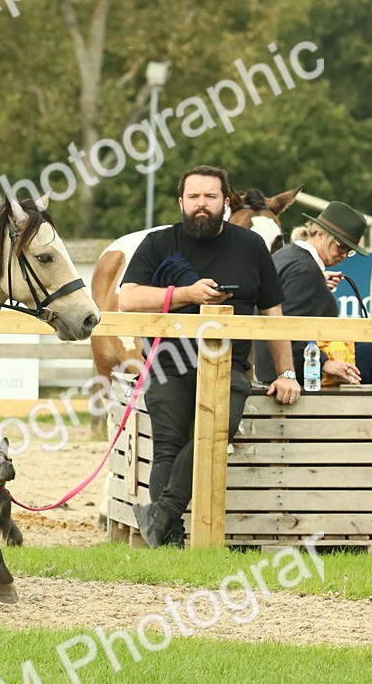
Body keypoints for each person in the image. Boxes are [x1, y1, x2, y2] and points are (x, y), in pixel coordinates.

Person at [120, 165, 301, 548]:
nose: (201, 203)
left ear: (225, 203)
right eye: (194, 196)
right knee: (167, 446)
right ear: (181, 202)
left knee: (215, 434)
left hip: (229, 366)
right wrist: (187, 294)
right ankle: (169, 540)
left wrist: (286, 372)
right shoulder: (158, 242)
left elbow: (273, 313)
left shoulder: (251, 246)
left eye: (210, 196)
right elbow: (128, 299)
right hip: (167, 364)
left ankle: (160, 516)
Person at [254, 201, 372, 389]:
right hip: (297, 368)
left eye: (349, 251)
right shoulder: (305, 270)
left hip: (272, 366)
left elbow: (283, 302)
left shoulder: (286, 256)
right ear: (321, 234)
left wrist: (319, 284)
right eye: (341, 247)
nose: (344, 255)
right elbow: (289, 326)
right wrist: (324, 362)